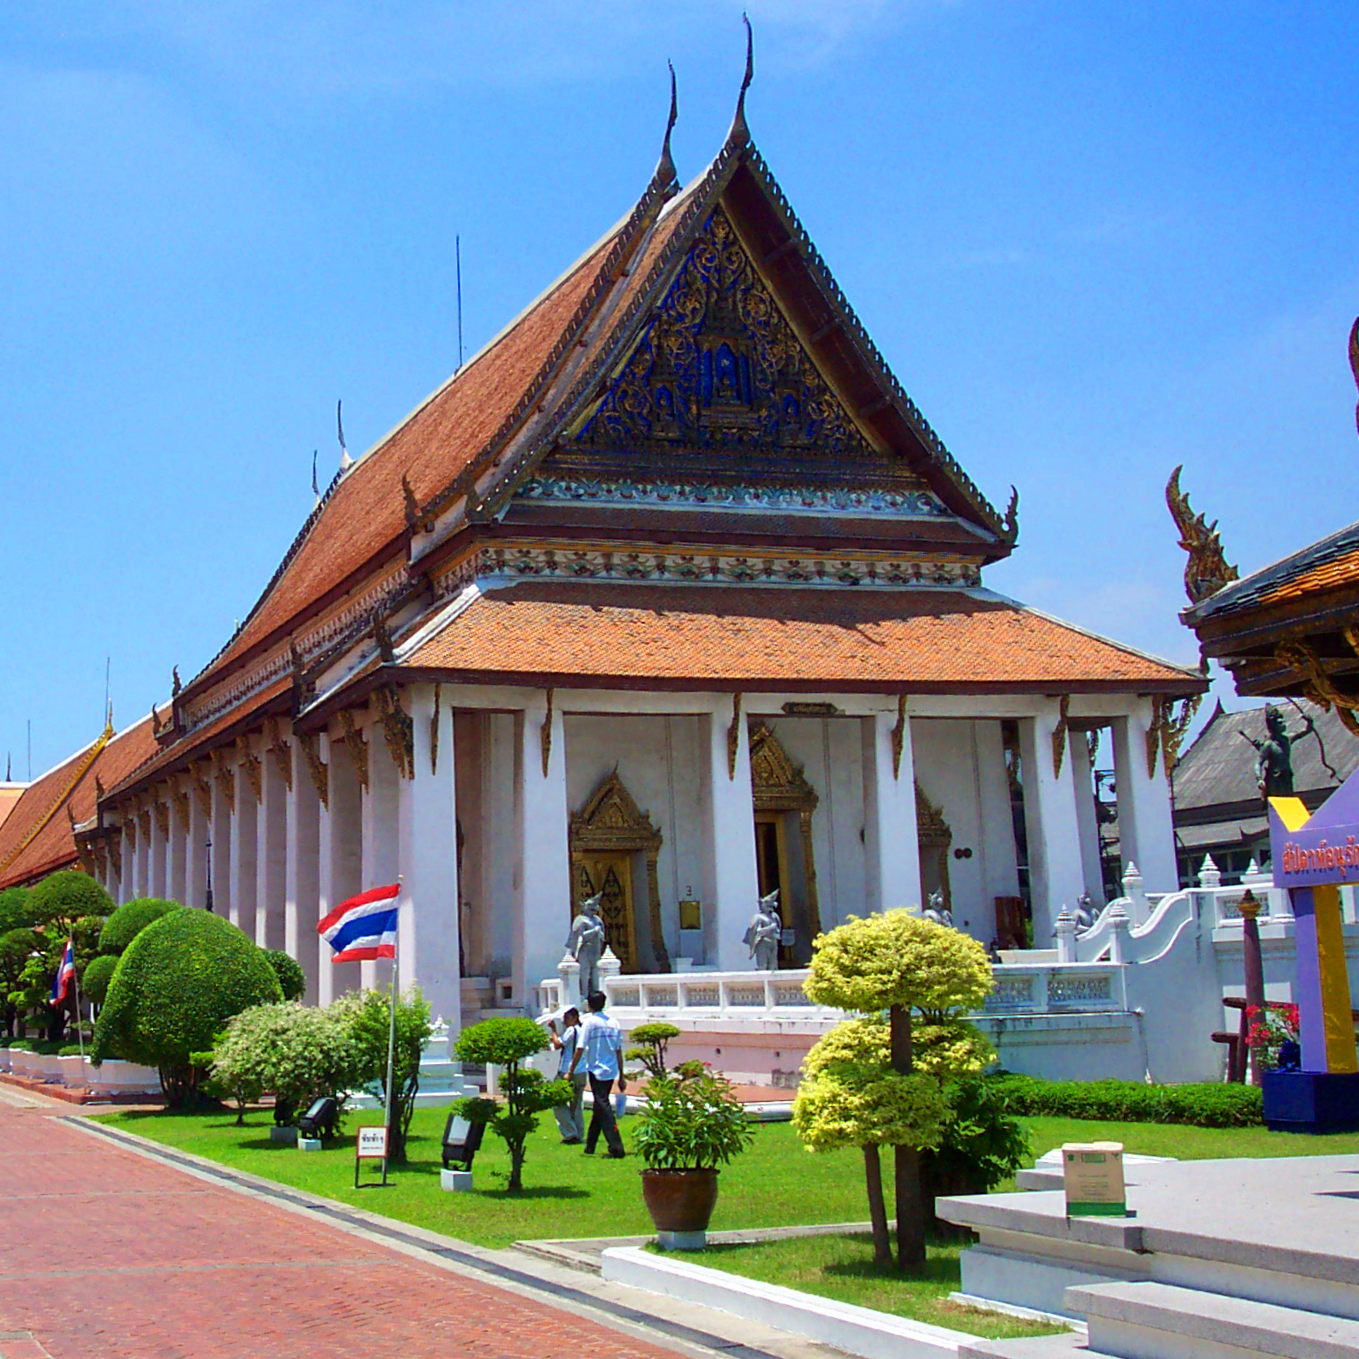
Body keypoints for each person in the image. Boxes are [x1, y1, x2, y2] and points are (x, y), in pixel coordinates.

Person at [568, 989, 626, 1158]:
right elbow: (618, 1050)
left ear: (590, 1005)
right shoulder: (613, 1023)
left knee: (603, 1106)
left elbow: (580, 1047)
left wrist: (571, 1069)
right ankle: (590, 1145)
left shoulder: (590, 1023)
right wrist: (621, 1075)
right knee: (599, 1106)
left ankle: (616, 1146)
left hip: (596, 1069)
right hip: (611, 1069)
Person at [546, 1006, 586, 1144]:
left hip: (568, 1071)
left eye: (567, 1018)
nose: (564, 1021)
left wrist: (553, 1030)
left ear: (574, 1018)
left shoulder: (572, 1030)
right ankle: (578, 1133)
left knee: (557, 1101)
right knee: (576, 1104)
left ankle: (570, 1132)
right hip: (581, 1071)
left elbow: (558, 1044)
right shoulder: (582, 1030)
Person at [564, 892, 608, 998]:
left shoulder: (597, 920)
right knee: (585, 971)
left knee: (595, 971)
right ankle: (584, 994)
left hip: (596, 949)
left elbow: (602, 935)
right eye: (590, 906)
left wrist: (599, 933)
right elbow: (581, 936)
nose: (592, 908)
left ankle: (596, 993)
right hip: (585, 949)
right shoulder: (580, 920)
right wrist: (594, 931)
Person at [742, 889, 782, 970]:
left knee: (773, 965)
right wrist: (770, 927)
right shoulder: (758, 917)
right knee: (762, 965)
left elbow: (778, 928)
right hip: (763, 943)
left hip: (773, 942)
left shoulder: (774, 916)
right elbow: (759, 931)